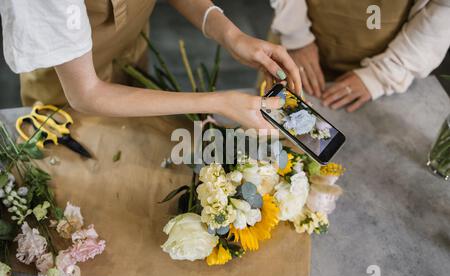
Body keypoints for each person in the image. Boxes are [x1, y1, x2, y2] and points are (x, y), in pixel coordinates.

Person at [0, 0, 303, 130]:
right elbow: (86, 93)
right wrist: (219, 101)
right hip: (66, 95)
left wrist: (230, 34)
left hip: (133, 52)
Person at [270, 0, 450, 112]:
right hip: (293, 48)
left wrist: (386, 72)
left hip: (388, 61)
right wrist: (295, 35)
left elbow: (444, 9)